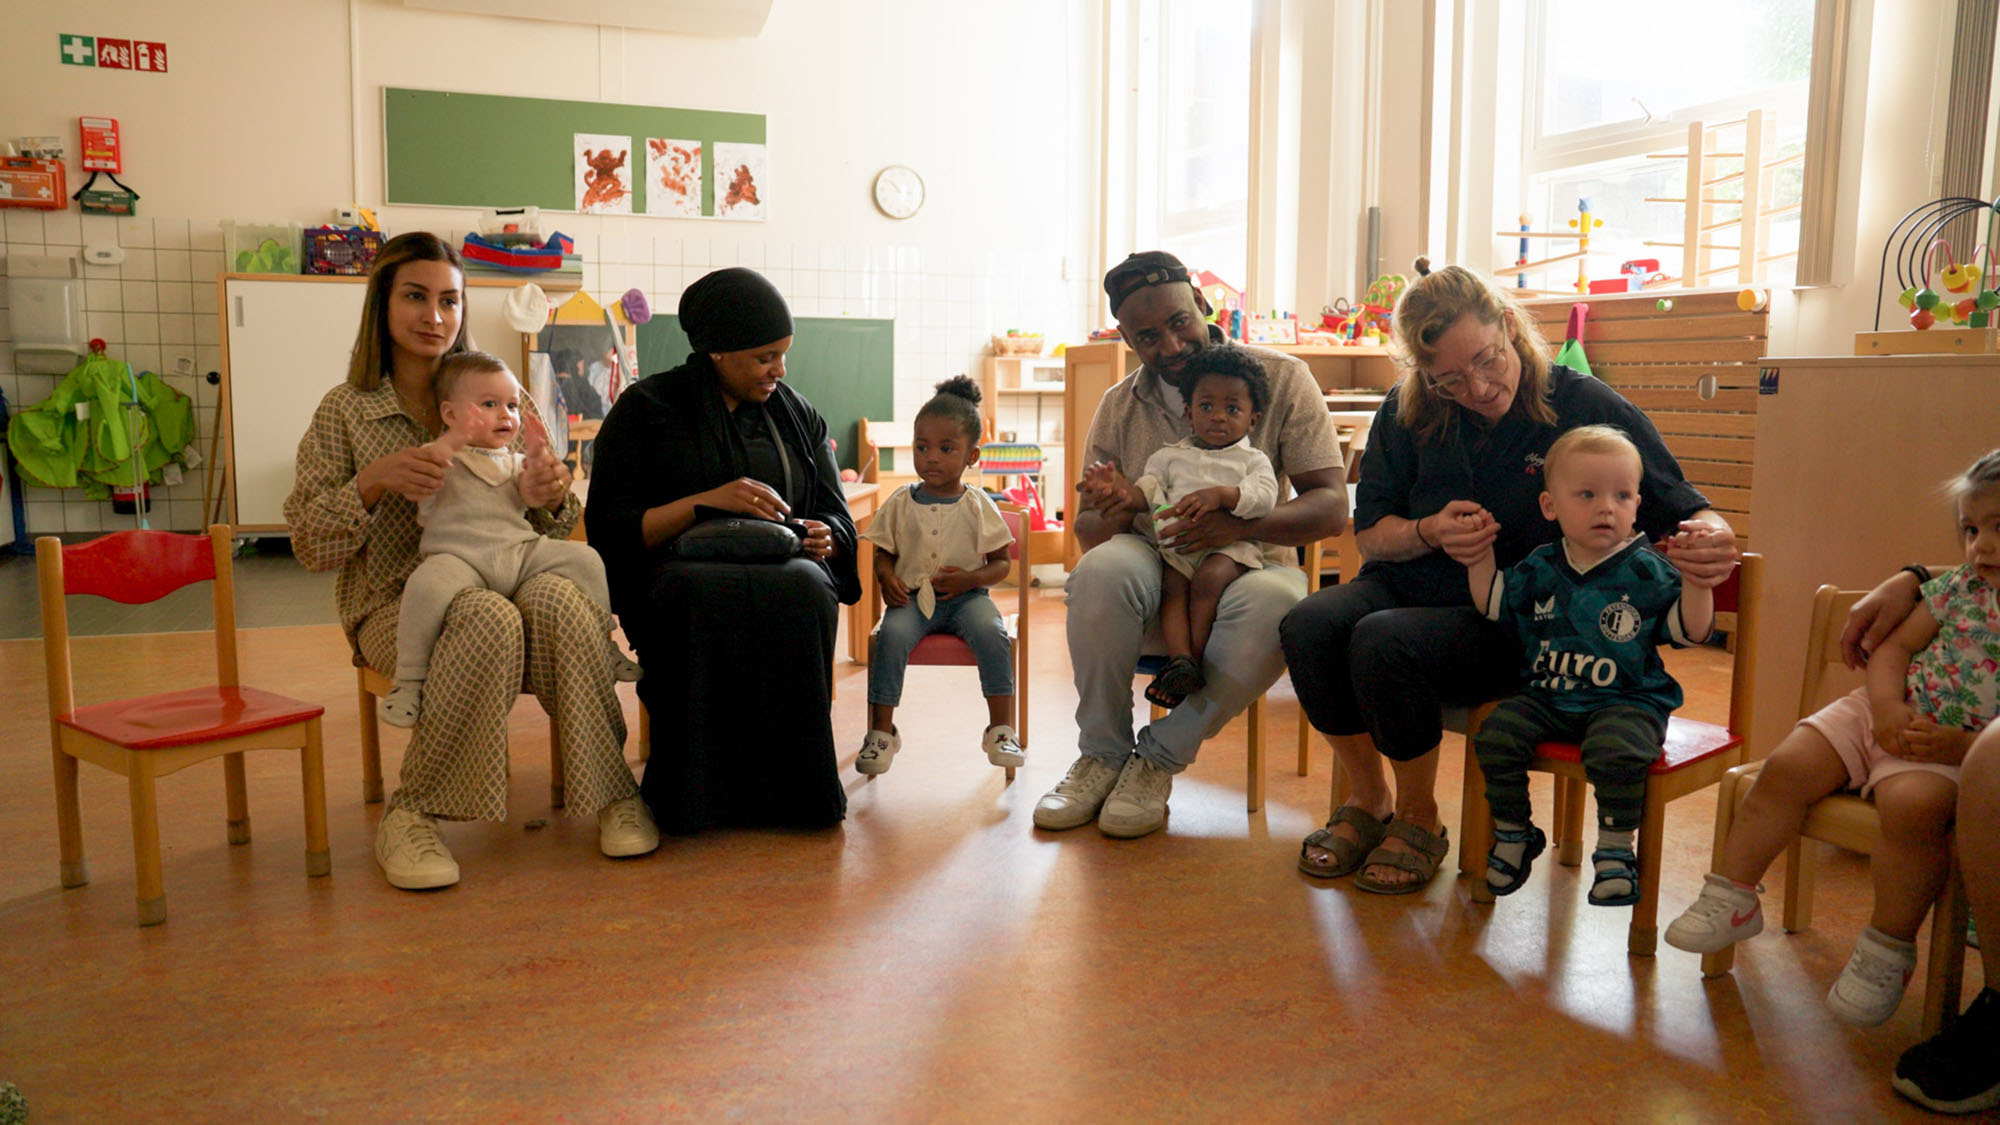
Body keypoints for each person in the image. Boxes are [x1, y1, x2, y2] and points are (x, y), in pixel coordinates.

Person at [1280, 260, 1738, 893]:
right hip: (1409, 581)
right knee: (1309, 624)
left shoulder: (1581, 404)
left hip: (1525, 616)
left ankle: (1418, 815)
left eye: (1489, 360)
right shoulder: (1408, 407)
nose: (1477, 386)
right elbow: (1371, 532)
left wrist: (1714, 536)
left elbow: (1683, 504)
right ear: (1423, 374)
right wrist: (1429, 530)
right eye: (1449, 379)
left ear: (1507, 325)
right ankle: (1369, 798)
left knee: (1382, 640)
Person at [286, 232, 657, 891]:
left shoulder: (498, 389)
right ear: (382, 303)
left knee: (564, 603)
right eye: (415, 297)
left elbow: (557, 518)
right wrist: (372, 481)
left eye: (449, 300)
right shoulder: (346, 411)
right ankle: (414, 812)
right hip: (400, 603)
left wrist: (549, 494)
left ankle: (613, 791)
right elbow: (311, 546)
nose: (434, 316)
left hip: (514, 570)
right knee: (485, 617)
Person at [1664, 450, 1999, 1027]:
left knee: (1914, 811)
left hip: (1947, 744)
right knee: (1789, 764)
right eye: (1971, 529)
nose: (1980, 547)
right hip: (1880, 710)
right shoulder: (1959, 589)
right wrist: (1888, 706)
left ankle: (1887, 950)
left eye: (1998, 530)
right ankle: (1732, 893)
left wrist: (1959, 749)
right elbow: (1893, 648)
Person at [1037, 251, 1344, 839]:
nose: (1172, 346)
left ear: (1203, 305)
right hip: (1156, 560)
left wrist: (1238, 526)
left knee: (1280, 605)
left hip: (1250, 563)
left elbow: (1331, 505)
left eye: (1180, 322)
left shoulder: (1280, 379)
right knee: (1102, 570)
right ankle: (1102, 754)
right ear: (1126, 339)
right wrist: (1119, 505)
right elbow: (1089, 531)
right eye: (1148, 337)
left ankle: (1157, 758)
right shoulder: (1118, 406)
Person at [585, 267, 860, 834]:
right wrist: (706, 502)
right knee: (696, 593)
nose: (778, 371)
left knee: (808, 587)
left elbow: (836, 509)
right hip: (675, 577)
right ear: (716, 352)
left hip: (788, 570)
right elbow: (611, 530)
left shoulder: (796, 414)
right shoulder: (646, 411)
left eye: (783, 355)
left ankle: (800, 794)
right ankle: (693, 798)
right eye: (763, 358)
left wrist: (825, 533)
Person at [1453, 425, 1718, 903]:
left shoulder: (1649, 569)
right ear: (1550, 507)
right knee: (1496, 734)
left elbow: (1691, 632)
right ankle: (1515, 832)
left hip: (1629, 700)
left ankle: (1616, 849)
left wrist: (1698, 582)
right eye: (1588, 494)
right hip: (1550, 696)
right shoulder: (1540, 565)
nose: (1606, 507)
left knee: (1616, 750)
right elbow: (1494, 603)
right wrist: (1479, 556)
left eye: (1622, 495)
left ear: (1638, 504)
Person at [380, 351, 642, 728]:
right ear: (450, 414)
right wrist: (455, 438)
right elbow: (429, 470)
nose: (506, 415)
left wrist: (537, 458)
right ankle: (408, 681)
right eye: (489, 405)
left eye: (512, 405)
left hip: (519, 554)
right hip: (459, 559)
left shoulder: (513, 462)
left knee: (585, 559)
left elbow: (535, 498)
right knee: (425, 587)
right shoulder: (438, 457)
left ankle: (604, 642)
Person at [1093, 345, 1280, 709]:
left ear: (1252, 420)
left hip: (1230, 550)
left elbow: (1264, 498)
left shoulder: (1252, 460)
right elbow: (1148, 492)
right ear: (1189, 412)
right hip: (1179, 549)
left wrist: (1224, 496)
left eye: (1232, 409)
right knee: (1172, 588)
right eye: (1206, 406)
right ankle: (1180, 662)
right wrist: (1117, 491)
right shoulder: (1168, 456)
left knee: (1210, 578)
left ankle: (1196, 657)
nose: (1218, 417)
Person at [856, 376, 1021, 776]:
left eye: (946, 449)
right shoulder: (899, 501)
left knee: (992, 634)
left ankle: (1001, 729)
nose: (931, 457)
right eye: (922, 447)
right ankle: (882, 734)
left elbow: (1002, 563)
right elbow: (883, 553)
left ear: (972, 456)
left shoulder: (979, 504)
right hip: (911, 600)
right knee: (890, 637)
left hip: (968, 600)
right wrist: (885, 577)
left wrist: (969, 579)